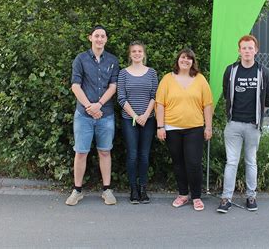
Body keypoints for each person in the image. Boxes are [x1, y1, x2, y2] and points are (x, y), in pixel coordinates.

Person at [217, 35, 269, 213]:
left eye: (250, 48)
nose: (247, 51)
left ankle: (251, 196)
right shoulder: (231, 70)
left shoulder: (263, 72)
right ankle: (226, 198)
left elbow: (268, 100)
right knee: (231, 162)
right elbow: (227, 93)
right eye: (244, 48)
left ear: (256, 50)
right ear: (239, 50)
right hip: (233, 124)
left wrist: (256, 116)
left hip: (253, 126)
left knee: (251, 162)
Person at [65, 25, 119, 206]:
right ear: (90, 38)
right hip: (84, 115)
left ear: (106, 39)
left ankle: (107, 190)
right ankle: (77, 190)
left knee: (105, 152)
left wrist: (99, 105)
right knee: (81, 153)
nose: (99, 39)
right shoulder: (80, 59)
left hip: (106, 114)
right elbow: (75, 85)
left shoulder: (112, 60)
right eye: (96, 36)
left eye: (103, 36)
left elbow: (113, 86)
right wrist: (89, 106)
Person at [155, 48, 213, 211]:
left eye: (189, 58)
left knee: (193, 163)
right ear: (178, 60)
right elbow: (160, 104)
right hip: (172, 127)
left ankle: (196, 196)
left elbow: (207, 105)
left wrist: (208, 127)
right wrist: (160, 126)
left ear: (193, 62)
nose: (185, 60)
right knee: (178, 163)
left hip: (194, 128)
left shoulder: (200, 79)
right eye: (183, 57)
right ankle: (182, 194)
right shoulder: (167, 79)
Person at [117, 41, 158, 204]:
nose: (137, 53)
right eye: (133, 51)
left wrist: (145, 115)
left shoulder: (152, 73)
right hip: (129, 120)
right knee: (132, 155)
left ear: (144, 54)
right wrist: (135, 116)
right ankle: (133, 189)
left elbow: (155, 95)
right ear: (130, 54)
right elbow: (121, 98)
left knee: (144, 155)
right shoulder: (123, 73)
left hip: (148, 119)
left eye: (139, 51)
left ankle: (143, 188)